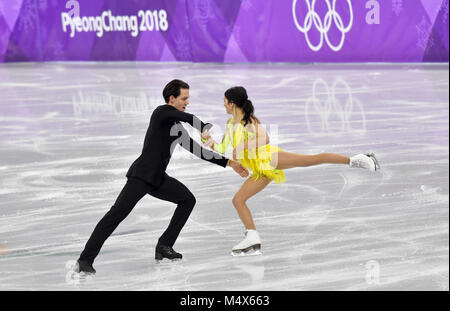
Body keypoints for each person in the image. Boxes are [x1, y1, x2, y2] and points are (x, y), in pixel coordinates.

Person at [75, 80, 249, 274]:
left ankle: (164, 245)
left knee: (187, 200)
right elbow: (188, 117)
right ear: (172, 99)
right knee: (116, 215)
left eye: (188, 98)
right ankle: (85, 259)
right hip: (141, 177)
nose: (187, 102)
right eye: (184, 98)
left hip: (158, 178)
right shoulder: (161, 113)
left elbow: (197, 150)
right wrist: (204, 128)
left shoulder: (176, 127)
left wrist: (230, 163)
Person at [201, 86, 380, 256]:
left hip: (269, 158)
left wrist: (242, 146)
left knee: (311, 160)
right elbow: (223, 147)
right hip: (260, 169)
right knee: (238, 200)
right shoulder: (230, 123)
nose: (223, 105)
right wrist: (208, 142)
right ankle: (252, 237)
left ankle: (357, 160)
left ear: (232, 103)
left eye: (225, 101)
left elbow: (265, 138)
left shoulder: (249, 121)